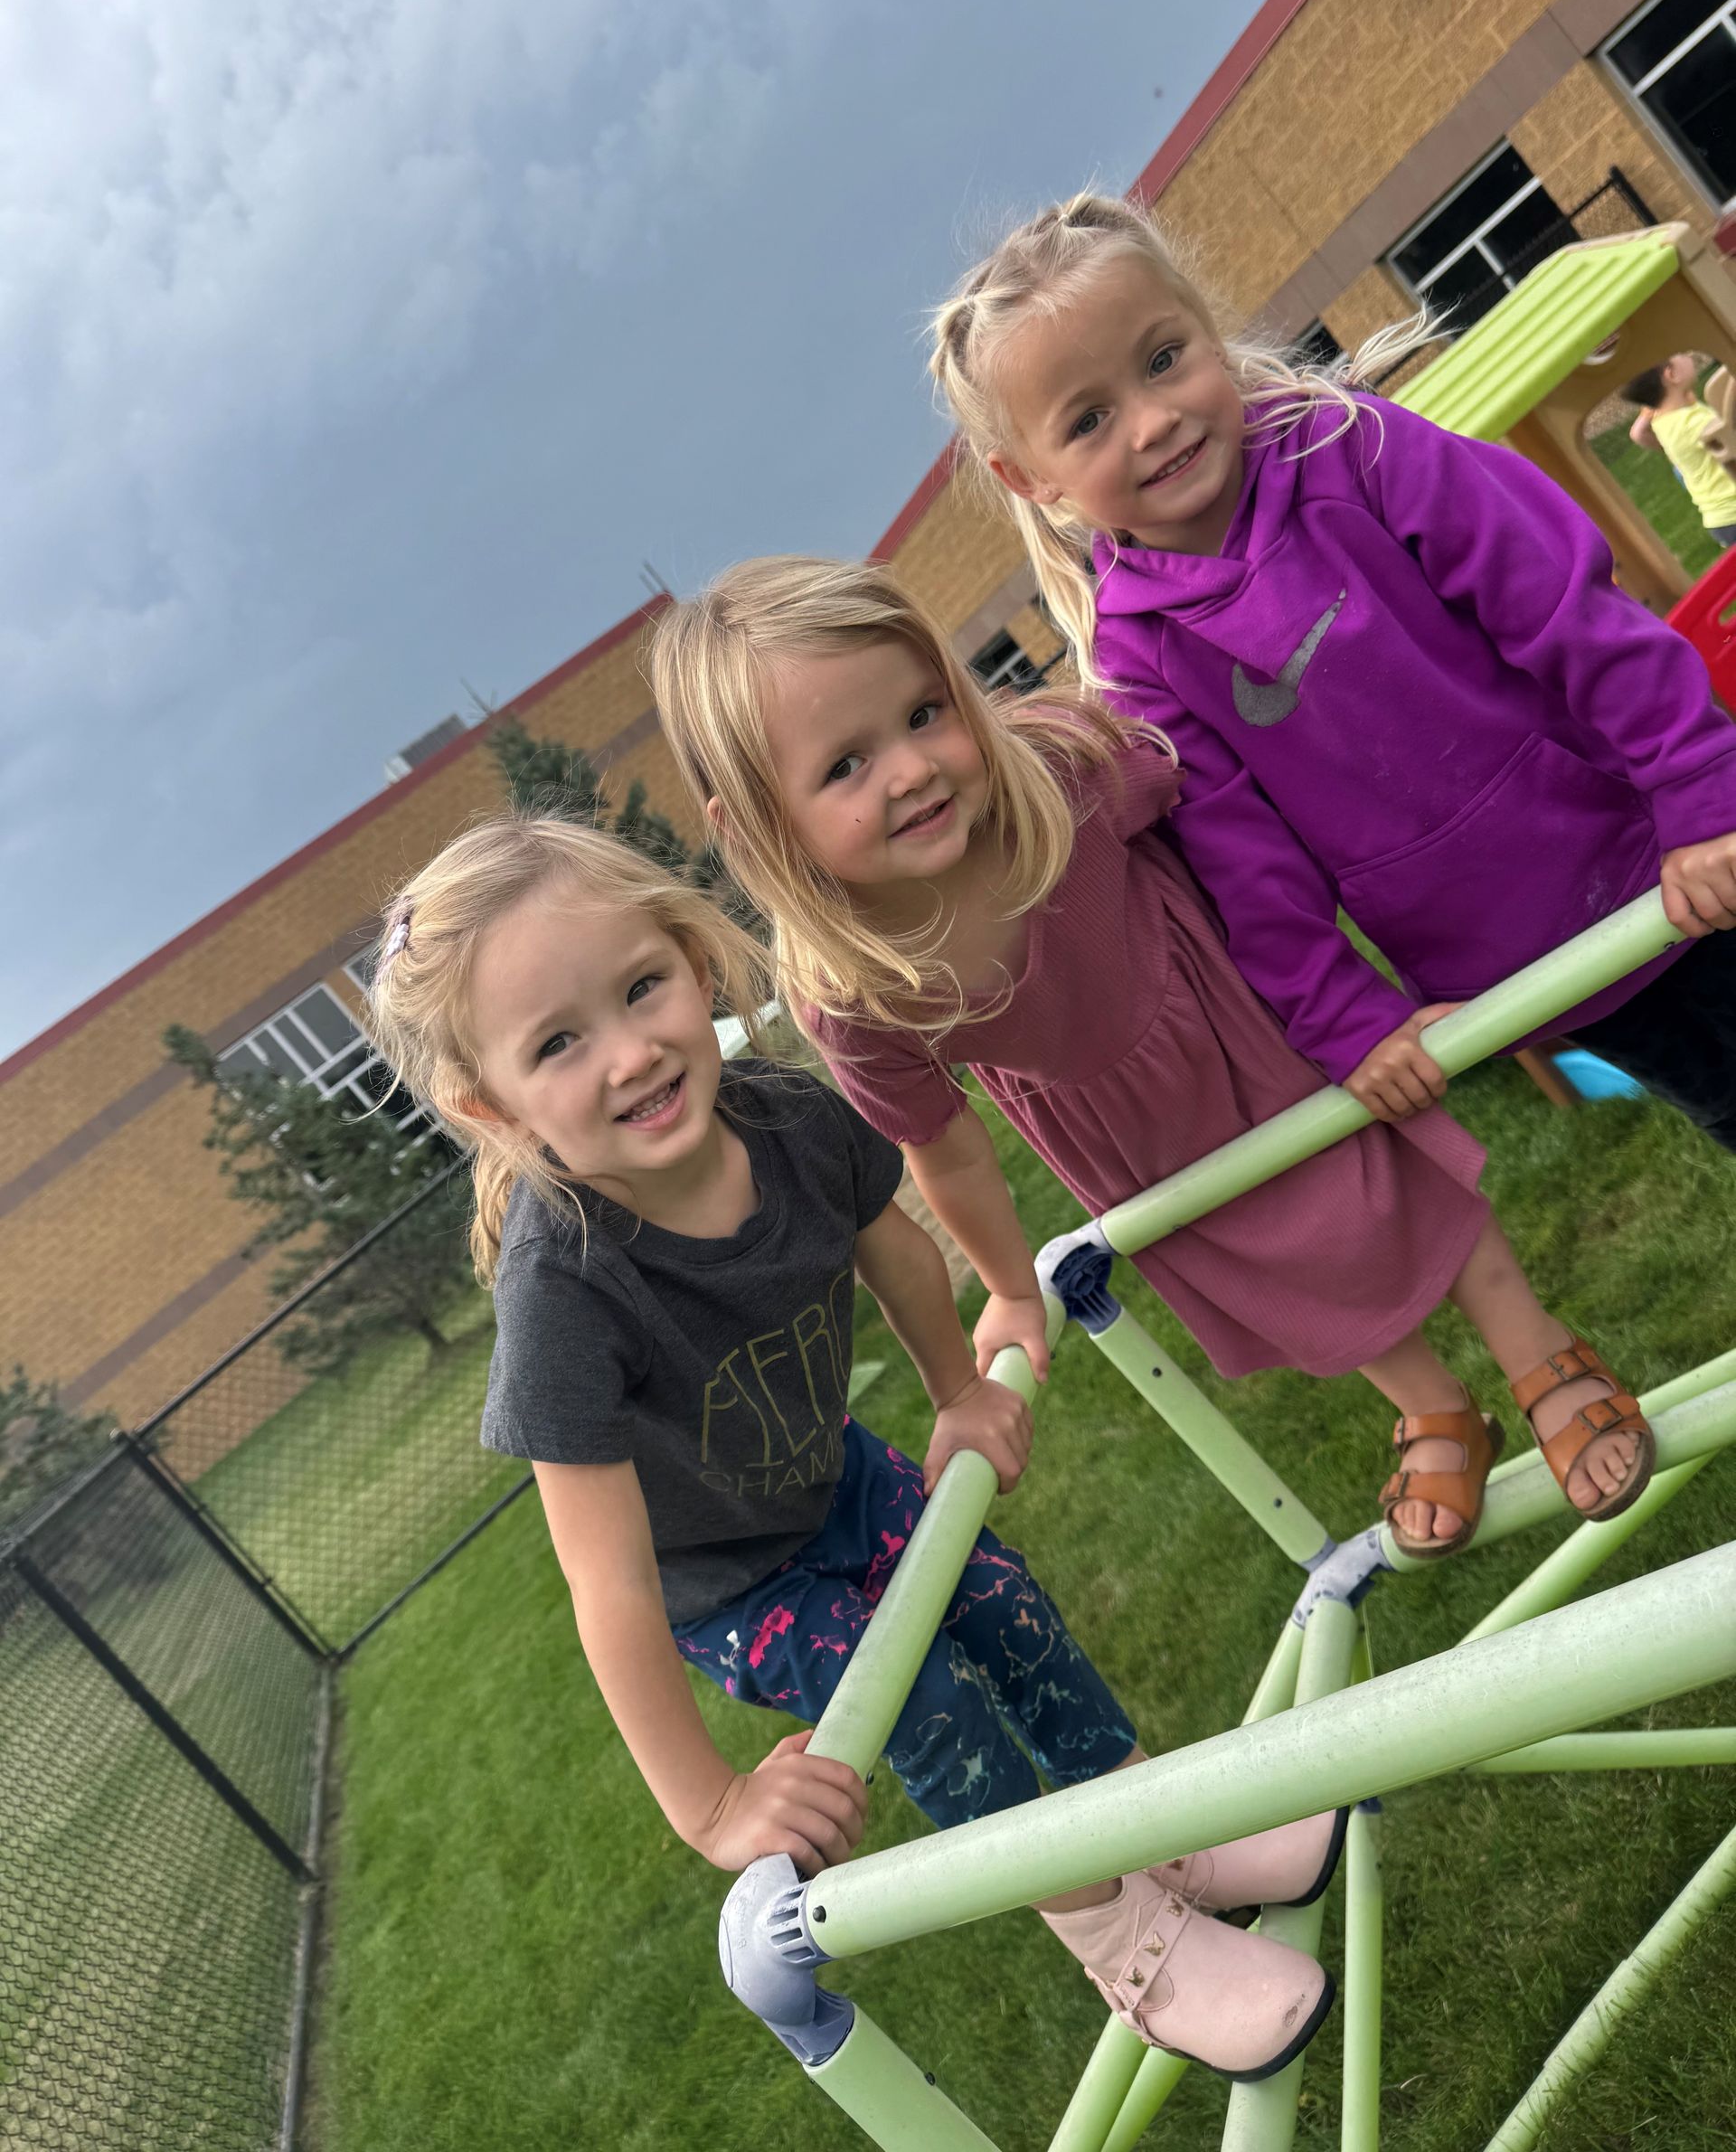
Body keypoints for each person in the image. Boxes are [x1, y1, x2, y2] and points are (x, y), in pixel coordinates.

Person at [364, 813, 1339, 2081]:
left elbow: (886, 1237)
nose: (630, 1054)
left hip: (838, 1477)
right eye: (559, 1043)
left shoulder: (781, 1117)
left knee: (1000, 1598)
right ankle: (1123, 1941)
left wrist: (953, 1389)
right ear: (492, 1103)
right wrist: (710, 1804)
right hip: (733, 1587)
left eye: (640, 988)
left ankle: (1163, 1825)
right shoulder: (567, 1285)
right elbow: (605, 1585)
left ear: (692, 962)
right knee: (930, 1705)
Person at [648, 558, 1654, 1566]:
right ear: (762, 827)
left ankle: (1538, 1351)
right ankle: (1435, 1408)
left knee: (1402, 1181)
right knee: (1301, 1268)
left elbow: (1223, 799)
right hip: (1138, 1140)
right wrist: (1005, 1285)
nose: (911, 770)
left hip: (1252, 1022)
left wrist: (1327, 985)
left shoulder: (1063, 774)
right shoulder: (853, 989)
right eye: (844, 767)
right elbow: (943, 1150)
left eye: (922, 714)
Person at [927, 192, 1736, 1166]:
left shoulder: (1361, 451)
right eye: (1091, 418)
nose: (1152, 421)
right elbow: (1244, 859)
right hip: (1534, 964)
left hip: (1673, 852)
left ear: (1208, 334)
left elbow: (1569, 611)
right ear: (1029, 477)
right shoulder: (1140, 658)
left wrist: (1699, 789)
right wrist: (1345, 1014)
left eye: (1163, 358)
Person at [1622, 354, 1736, 551]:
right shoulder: (1694, 424)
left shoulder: (1663, 422)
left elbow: (1639, 433)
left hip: (1720, 520)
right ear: (1672, 374)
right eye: (1681, 354)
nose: (1689, 355)